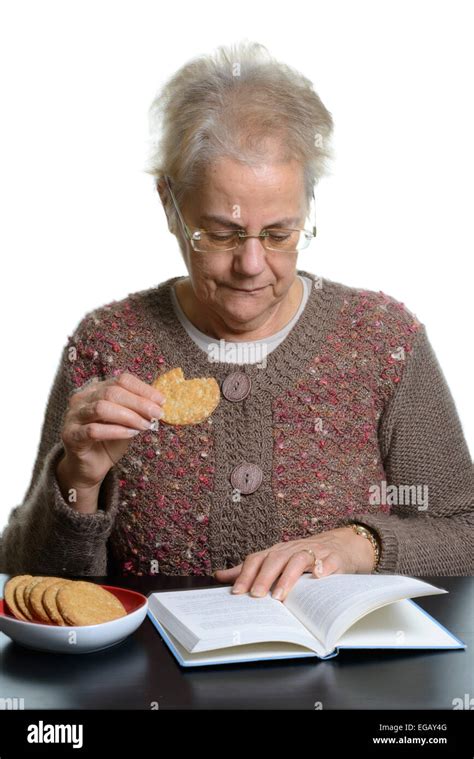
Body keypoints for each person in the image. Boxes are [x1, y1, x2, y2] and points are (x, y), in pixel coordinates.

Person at [1, 41, 472, 602]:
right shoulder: (106, 346)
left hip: (346, 681)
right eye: (221, 233)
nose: (251, 266)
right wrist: (76, 484)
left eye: (279, 234)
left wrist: (358, 543)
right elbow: (28, 584)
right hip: (156, 683)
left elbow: (461, 527)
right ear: (169, 205)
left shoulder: (383, 341)